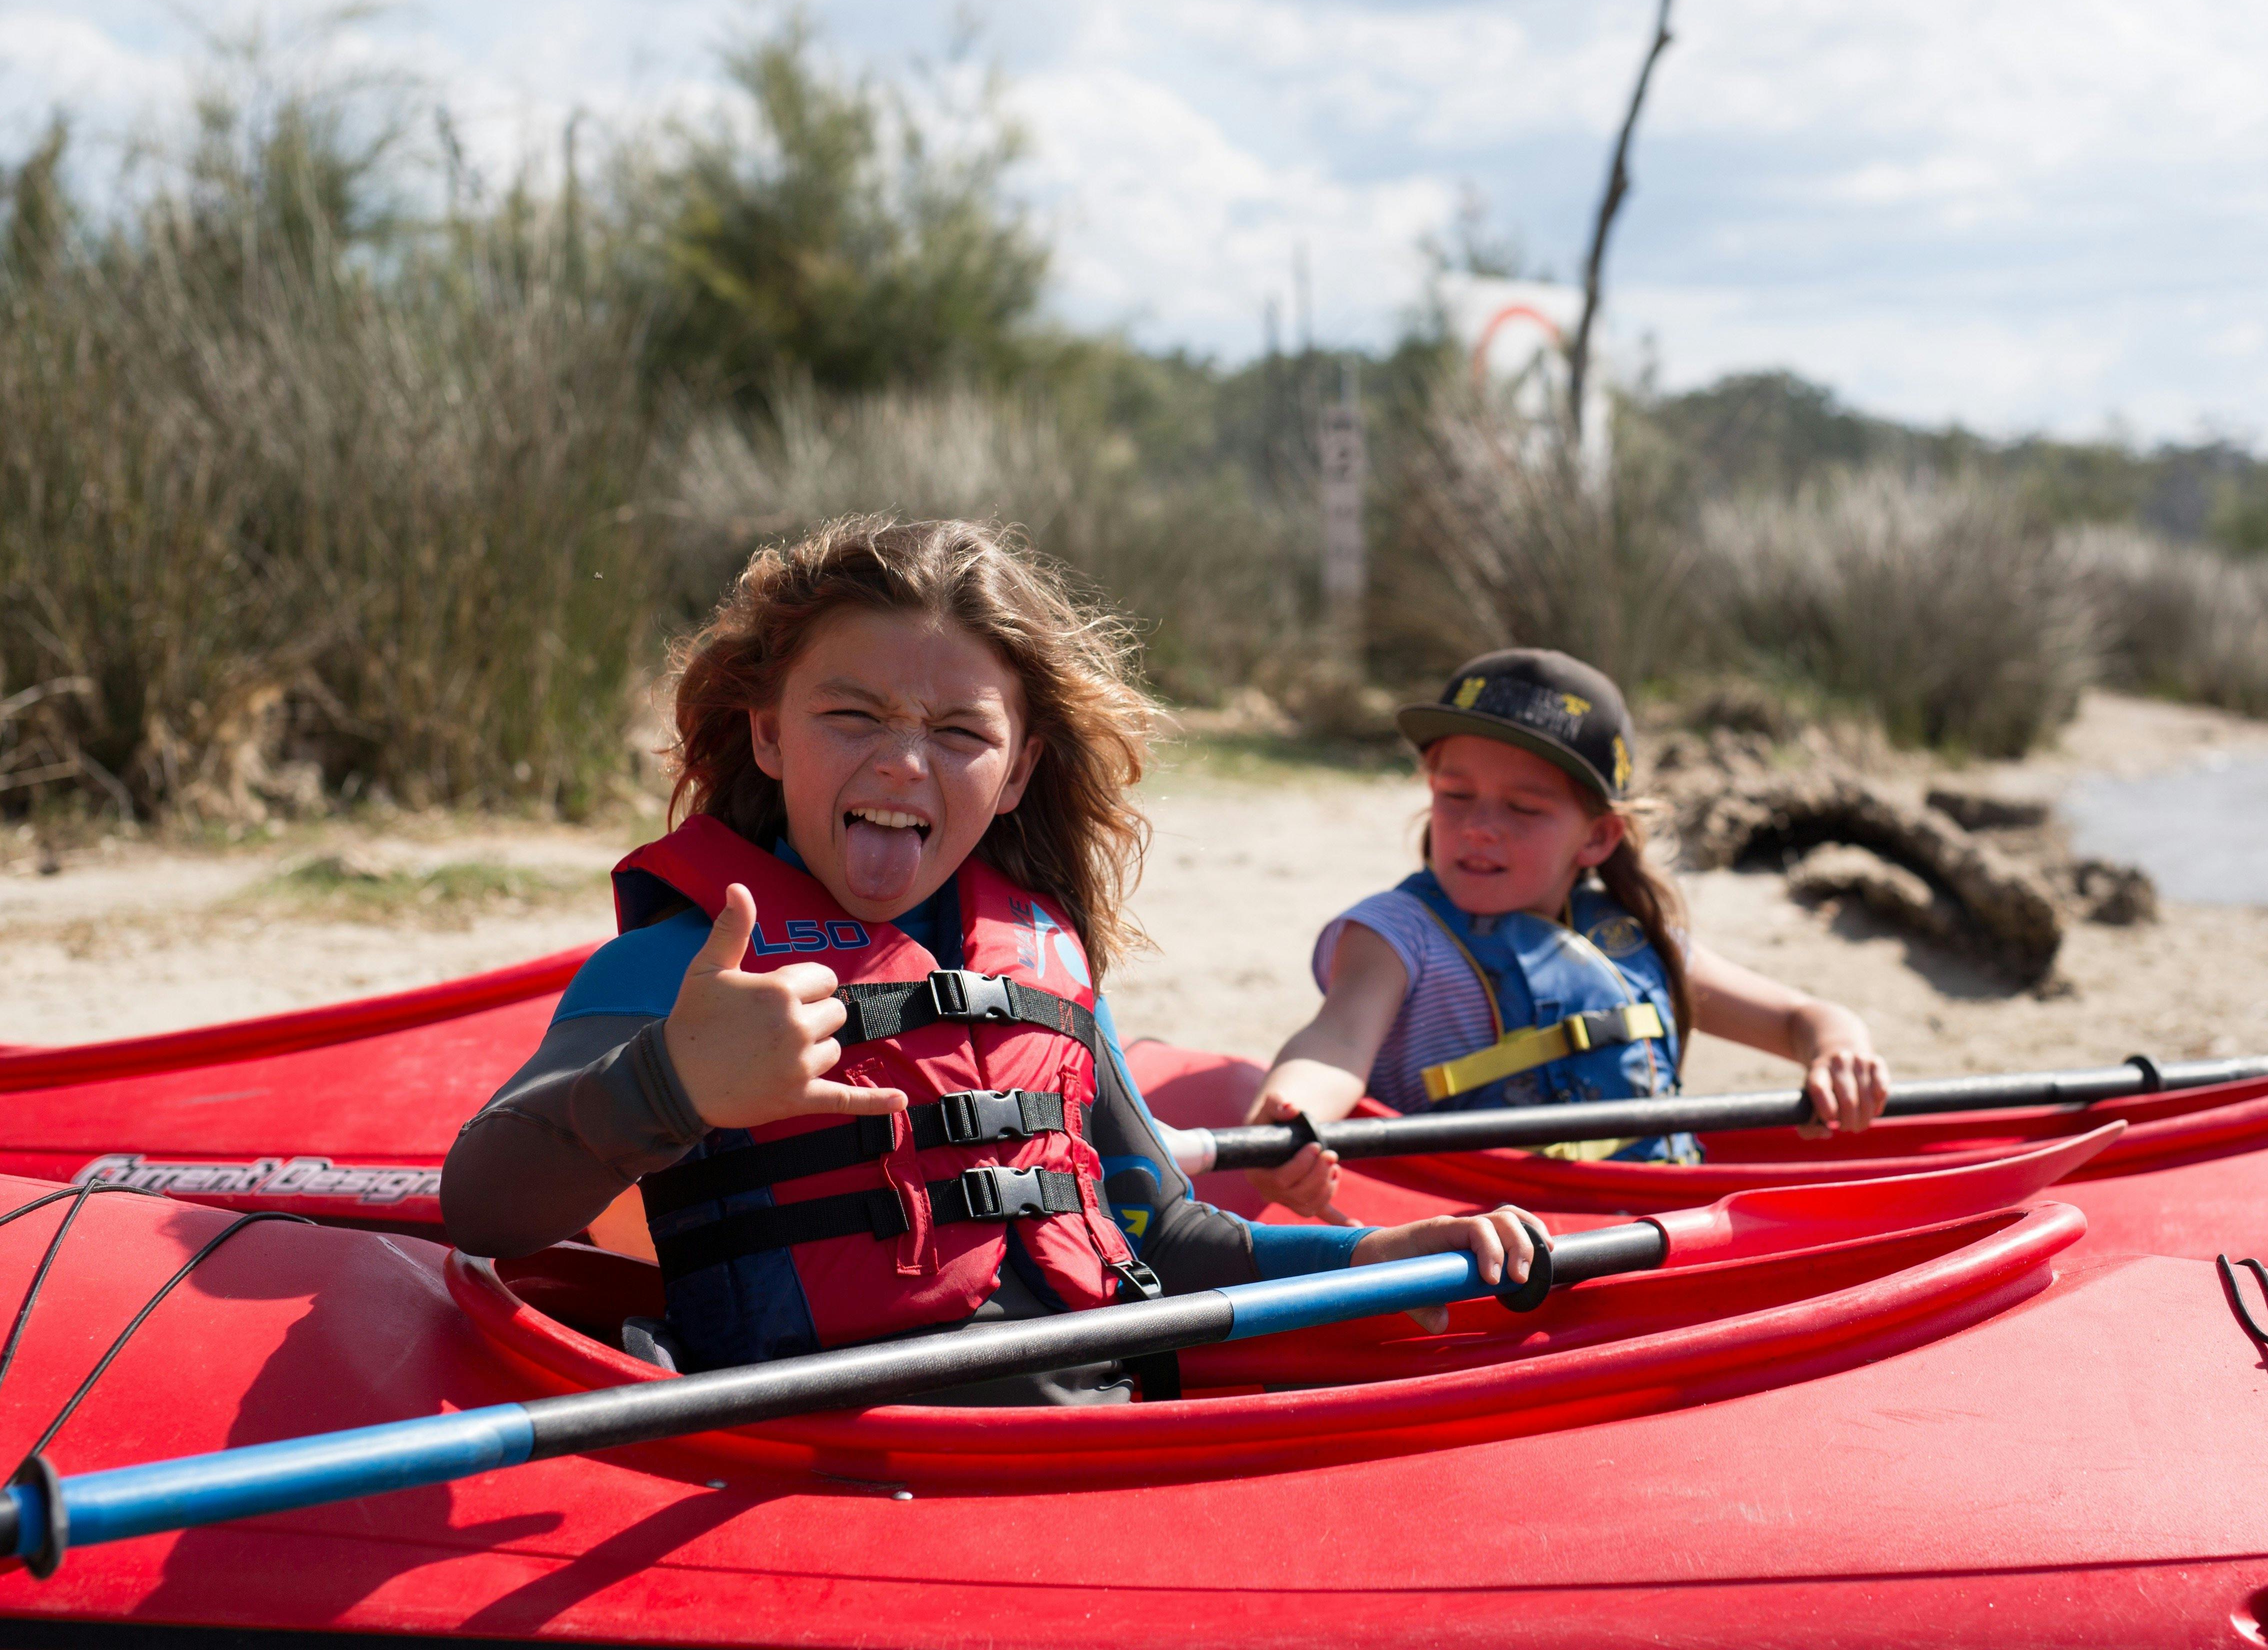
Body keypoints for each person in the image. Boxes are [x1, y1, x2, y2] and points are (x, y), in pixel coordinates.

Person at [445, 517, 1537, 1395]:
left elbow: (1160, 1234)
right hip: (822, 1472)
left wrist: (1368, 1257)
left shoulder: (1043, 961)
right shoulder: (683, 972)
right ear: (768, 734)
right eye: (852, 714)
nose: (904, 763)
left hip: (1089, 1442)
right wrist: (670, 1083)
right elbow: (484, 1208)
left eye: (961, 733)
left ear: (1018, 772)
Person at [1244, 647, 1890, 1223]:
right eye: (1455, 795)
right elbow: (1336, 1043)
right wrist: (1289, 1117)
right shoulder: (1397, 934)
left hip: (1651, 1225)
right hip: (1488, 1240)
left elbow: (1801, 1019)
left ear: (1599, 836)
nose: (1479, 826)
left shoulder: (1636, 940)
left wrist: (1839, 1049)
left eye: (1523, 807)